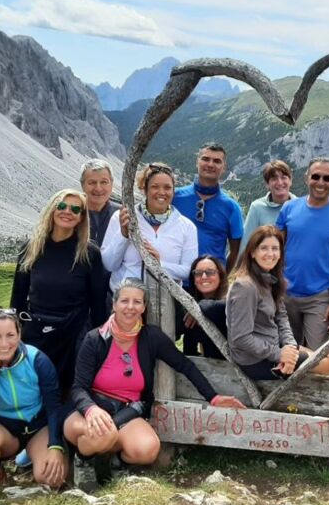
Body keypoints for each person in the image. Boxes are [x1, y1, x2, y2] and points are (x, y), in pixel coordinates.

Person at [64, 278, 245, 482]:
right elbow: (78, 387)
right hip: (90, 411)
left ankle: (118, 462)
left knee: (148, 449)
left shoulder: (151, 337)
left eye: (137, 301)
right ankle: (83, 459)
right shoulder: (95, 339)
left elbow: (184, 365)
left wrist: (213, 397)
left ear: (143, 307)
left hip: (127, 411)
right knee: (103, 434)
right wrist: (91, 410)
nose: (130, 307)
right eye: (124, 301)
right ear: (114, 305)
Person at [0, 308, 66, 505]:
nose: (4, 344)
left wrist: (55, 445)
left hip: (38, 428)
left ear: (19, 335)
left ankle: (31, 455)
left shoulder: (36, 359)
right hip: (5, 432)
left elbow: (54, 406)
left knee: (52, 479)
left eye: (10, 335)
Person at [11, 189, 108, 392]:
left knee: (68, 393)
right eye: (62, 206)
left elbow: (98, 304)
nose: (67, 212)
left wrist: (99, 343)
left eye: (75, 209)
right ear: (52, 210)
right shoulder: (31, 248)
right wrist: (13, 332)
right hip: (36, 333)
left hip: (73, 336)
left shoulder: (89, 253)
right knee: (34, 390)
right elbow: (18, 297)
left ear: (82, 217)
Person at [227, 226, 329, 380]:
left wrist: (290, 348)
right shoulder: (245, 287)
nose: (270, 254)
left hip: (275, 348)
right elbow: (241, 338)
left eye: (275, 248)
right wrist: (279, 354)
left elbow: (281, 317)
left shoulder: (270, 281)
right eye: (264, 248)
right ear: (252, 252)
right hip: (255, 360)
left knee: (325, 359)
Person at [276, 158, 329, 350]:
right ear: (307, 178)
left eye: (327, 178)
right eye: (316, 177)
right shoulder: (289, 208)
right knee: (287, 350)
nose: (321, 182)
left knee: (316, 355)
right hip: (286, 294)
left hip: (319, 298)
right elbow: (275, 248)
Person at [100, 162, 198, 289]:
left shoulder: (187, 226)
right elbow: (109, 264)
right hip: (126, 298)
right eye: (155, 187)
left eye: (167, 187)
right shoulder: (122, 217)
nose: (161, 192)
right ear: (145, 189)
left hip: (165, 299)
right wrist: (123, 235)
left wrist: (159, 265)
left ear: (173, 191)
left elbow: (189, 270)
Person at [174, 143, 244, 273]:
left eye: (217, 161)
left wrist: (222, 277)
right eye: (205, 159)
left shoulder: (231, 208)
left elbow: (235, 251)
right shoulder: (175, 197)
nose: (210, 164)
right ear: (197, 162)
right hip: (176, 276)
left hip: (210, 280)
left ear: (224, 167)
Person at [181, 255, 228, 360]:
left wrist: (199, 307)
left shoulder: (233, 300)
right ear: (193, 280)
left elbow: (224, 306)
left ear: (220, 277)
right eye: (198, 273)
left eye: (210, 272)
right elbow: (189, 351)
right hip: (211, 367)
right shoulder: (192, 312)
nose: (204, 277)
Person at [242, 159, 296, 246]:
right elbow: (246, 243)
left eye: (283, 177)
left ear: (290, 181)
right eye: (274, 179)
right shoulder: (257, 208)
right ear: (267, 184)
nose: (280, 182)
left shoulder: (300, 207)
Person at [81, 158, 119, 248]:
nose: (98, 188)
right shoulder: (71, 212)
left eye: (104, 182)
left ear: (112, 184)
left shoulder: (122, 214)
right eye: (92, 182)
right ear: (82, 185)